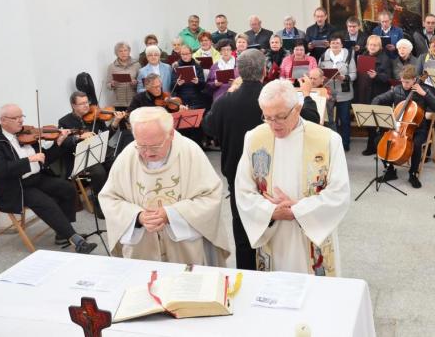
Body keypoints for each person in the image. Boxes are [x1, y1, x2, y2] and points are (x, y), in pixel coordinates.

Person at [202, 50, 320, 270]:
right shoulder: (277, 100)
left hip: (237, 178)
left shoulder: (226, 101)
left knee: (243, 231)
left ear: (238, 71)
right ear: (265, 71)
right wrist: (307, 95)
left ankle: (247, 275)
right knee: (277, 232)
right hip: (277, 177)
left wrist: (229, 93)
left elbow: (208, 127)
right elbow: (312, 120)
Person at [234, 79, 351, 275]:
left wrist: (297, 210)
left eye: (280, 117)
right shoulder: (254, 138)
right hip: (273, 234)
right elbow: (243, 191)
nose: (273, 125)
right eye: (267, 117)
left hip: (313, 235)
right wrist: (270, 211)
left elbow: (339, 193)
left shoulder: (329, 140)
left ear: (297, 109)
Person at [98, 106, 230, 264]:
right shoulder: (128, 155)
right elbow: (109, 199)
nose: (147, 153)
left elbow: (211, 197)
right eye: (141, 145)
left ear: (171, 134)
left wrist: (171, 214)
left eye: (155, 146)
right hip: (142, 247)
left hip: (184, 248)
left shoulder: (190, 152)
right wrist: (138, 217)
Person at [0, 104, 97, 254]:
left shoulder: (27, 135)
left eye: (21, 117)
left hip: (37, 178)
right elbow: (1, 170)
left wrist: (59, 143)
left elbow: (46, 158)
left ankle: (63, 234)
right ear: (3, 120)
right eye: (15, 118)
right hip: (18, 186)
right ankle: (76, 240)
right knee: (46, 203)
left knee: (67, 188)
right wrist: (29, 159)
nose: (20, 121)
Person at [371, 65, 435, 189]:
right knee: (378, 141)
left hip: (418, 128)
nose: (404, 84)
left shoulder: (424, 89)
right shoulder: (397, 90)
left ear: (415, 79)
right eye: (402, 81)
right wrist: (374, 106)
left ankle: (413, 173)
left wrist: (424, 94)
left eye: (407, 82)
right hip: (399, 128)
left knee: (415, 145)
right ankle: (390, 170)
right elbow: (378, 98)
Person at [57, 91, 126, 219]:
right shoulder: (65, 121)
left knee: (117, 163)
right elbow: (64, 143)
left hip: (100, 151)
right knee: (99, 172)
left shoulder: (96, 116)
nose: (86, 106)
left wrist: (115, 122)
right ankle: (99, 203)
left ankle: (115, 198)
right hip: (80, 156)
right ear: (73, 105)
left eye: (87, 102)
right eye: (82, 103)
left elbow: (105, 137)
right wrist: (79, 137)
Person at [319, 33, 357, 151]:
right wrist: (322, 77)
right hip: (328, 92)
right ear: (329, 44)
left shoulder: (349, 56)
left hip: (344, 93)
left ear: (342, 44)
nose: (335, 45)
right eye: (333, 43)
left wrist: (344, 77)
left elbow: (354, 74)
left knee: (345, 120)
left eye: (337, 43)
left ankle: (345, 143)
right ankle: (332, 144)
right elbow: (318, 72)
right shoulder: (323, 56)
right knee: (330, 120)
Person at [356, 35, 392, 156]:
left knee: (382, 123)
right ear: (367, 45)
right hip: (365, 92)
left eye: (375, 45)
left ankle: (382, 146)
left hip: (380, 93)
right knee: (369, 122)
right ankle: (371, 146)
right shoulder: (362, 56)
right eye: (370, 44)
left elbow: (388, 78)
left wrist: (376, 76)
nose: (372, 47)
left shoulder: (385, 58)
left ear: (380, 46)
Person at [107, 41, 141, 111]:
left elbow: (141, 83)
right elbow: (107, 84)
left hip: (134, 101)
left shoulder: (137, 65)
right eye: (120, 51)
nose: (123, 53)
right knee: (121, 121)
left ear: (129, 51)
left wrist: (135, 83)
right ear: (116, 53)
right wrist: (112, 84)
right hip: (118, 103)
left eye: (125, 50)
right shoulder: (112, 67)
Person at [173, 44, 209, 110]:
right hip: (182, 99)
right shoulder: (176, 66)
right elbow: (172, 87)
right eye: (182, 54)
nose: (185, 56)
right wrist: (177, 84)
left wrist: (198, 82)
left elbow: (203, 85)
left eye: (187, 54)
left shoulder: (197, 66)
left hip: (197, 98)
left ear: (191, 54)